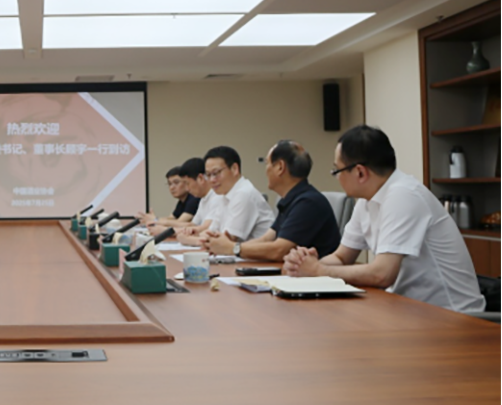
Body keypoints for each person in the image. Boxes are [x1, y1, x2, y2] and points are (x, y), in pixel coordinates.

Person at [284, 125, 485, 312]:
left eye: (337, 170)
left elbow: (382, 274)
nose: (336, 177)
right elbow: (341, 258)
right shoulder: (366, 201)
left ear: (360, 172)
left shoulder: (403, 195)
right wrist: (303, 265)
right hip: (411, 310)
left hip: (454, 317)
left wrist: (318, 270)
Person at [203, 140, 341, 261]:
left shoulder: (308, 202)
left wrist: (233, 248)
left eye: (267, 163)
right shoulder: (290, 200)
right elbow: (266, 239)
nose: (266, 170)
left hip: (315, 279)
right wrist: (226, 246)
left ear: (280, 167)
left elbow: (279, 250)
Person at [178, 147, 274, 246]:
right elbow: (211, 231)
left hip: (258, 255)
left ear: (234, 169)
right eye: (208, 175)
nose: (212, 180)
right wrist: (195, 236)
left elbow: (225, 242)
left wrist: (188, 239)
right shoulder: (224, 196)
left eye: (216, 173)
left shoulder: (244, 194)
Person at [139, 166, 201, 230]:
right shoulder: (182, 201)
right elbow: (171, 219)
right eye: (169, 184)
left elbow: (180, 223)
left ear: (187, 182)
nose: (171, 187)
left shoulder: (194, 198)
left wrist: (155, 220)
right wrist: (154, 219)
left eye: (176, 183)